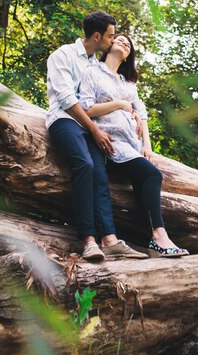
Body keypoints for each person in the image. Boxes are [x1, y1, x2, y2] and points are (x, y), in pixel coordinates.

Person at [46, 12, 148, 261]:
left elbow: (116, 97)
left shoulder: (95, 65)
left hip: (91, 125)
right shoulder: (63, 55)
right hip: (65, 120)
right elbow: (67, 101)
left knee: (100, 174)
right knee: (85, 164)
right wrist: (94, 130)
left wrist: (133, 115)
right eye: (112, 36)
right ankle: (88, 240)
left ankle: (110, 239)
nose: (113, 41)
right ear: (97, 36)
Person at [78, 34, 189, 257]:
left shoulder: (128, 84)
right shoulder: (92, 72)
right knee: (152, 175)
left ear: (129, 56)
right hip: (109, 142)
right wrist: (119, 105)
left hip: (132, 144)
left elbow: (142, 115)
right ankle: (159, 237)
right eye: (120, 40)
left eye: (128, 45)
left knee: (144, 179)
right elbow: (86, 108)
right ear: (108, 46)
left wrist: (147, 144)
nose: (125, 43)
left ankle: (156, 242)